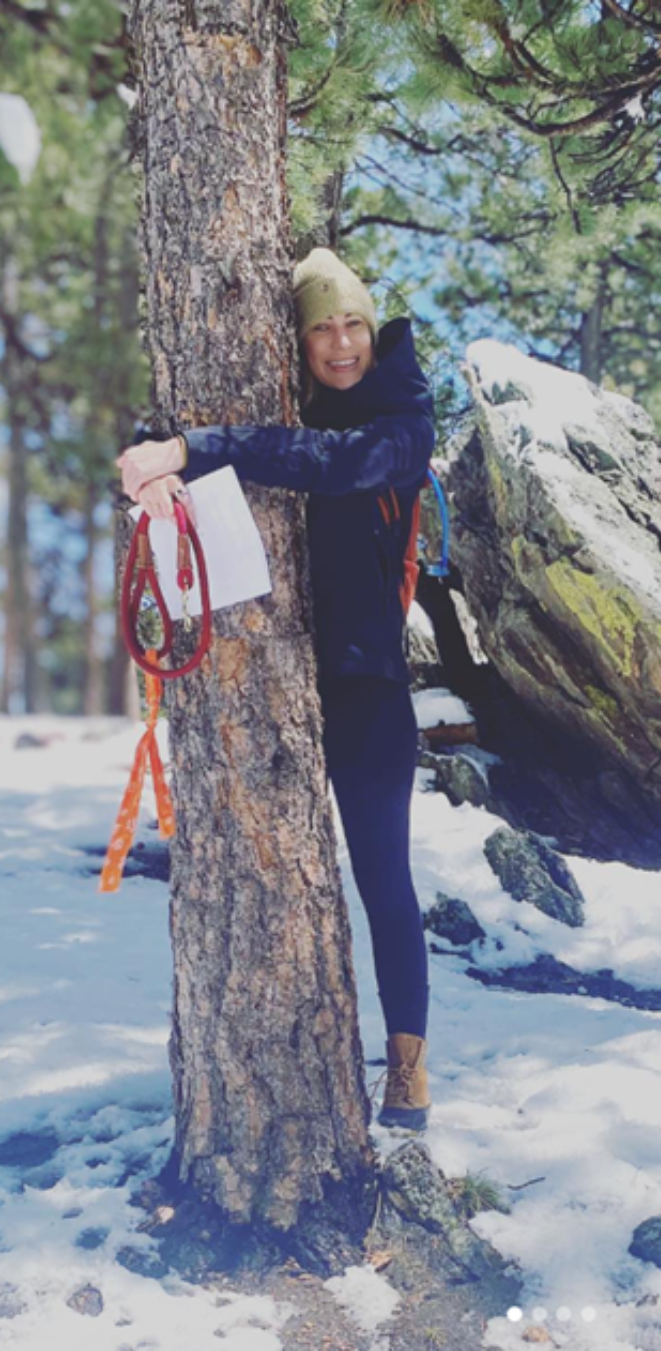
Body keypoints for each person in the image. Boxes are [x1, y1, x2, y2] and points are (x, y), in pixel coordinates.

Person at [117, 248, 434, 1130]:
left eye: (353, 325)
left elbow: (326, 464)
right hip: (277, 674)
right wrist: (156, 463)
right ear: (296, 341)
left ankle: (408, 1068)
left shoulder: (405, 417)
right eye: (320, 328)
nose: (340, 343)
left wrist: (199, 444)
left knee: (383, 877)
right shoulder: (287, 409)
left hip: (367, 686)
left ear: (374, 329)